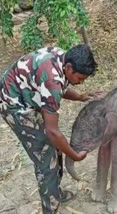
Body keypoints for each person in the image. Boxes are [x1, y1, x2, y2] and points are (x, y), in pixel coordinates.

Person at [0, 44, 102, 213]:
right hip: (14, 106)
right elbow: (52, 132)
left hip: (26, 94)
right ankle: (50, 208)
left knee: (55, 147)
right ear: (69, 67)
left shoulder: (62, 57)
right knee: (46, 160)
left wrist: (80, 97)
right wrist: (74, 155)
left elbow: (59, 86)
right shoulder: (52, 82)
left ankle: (55, 193)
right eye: (80, 78)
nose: (80, 82)